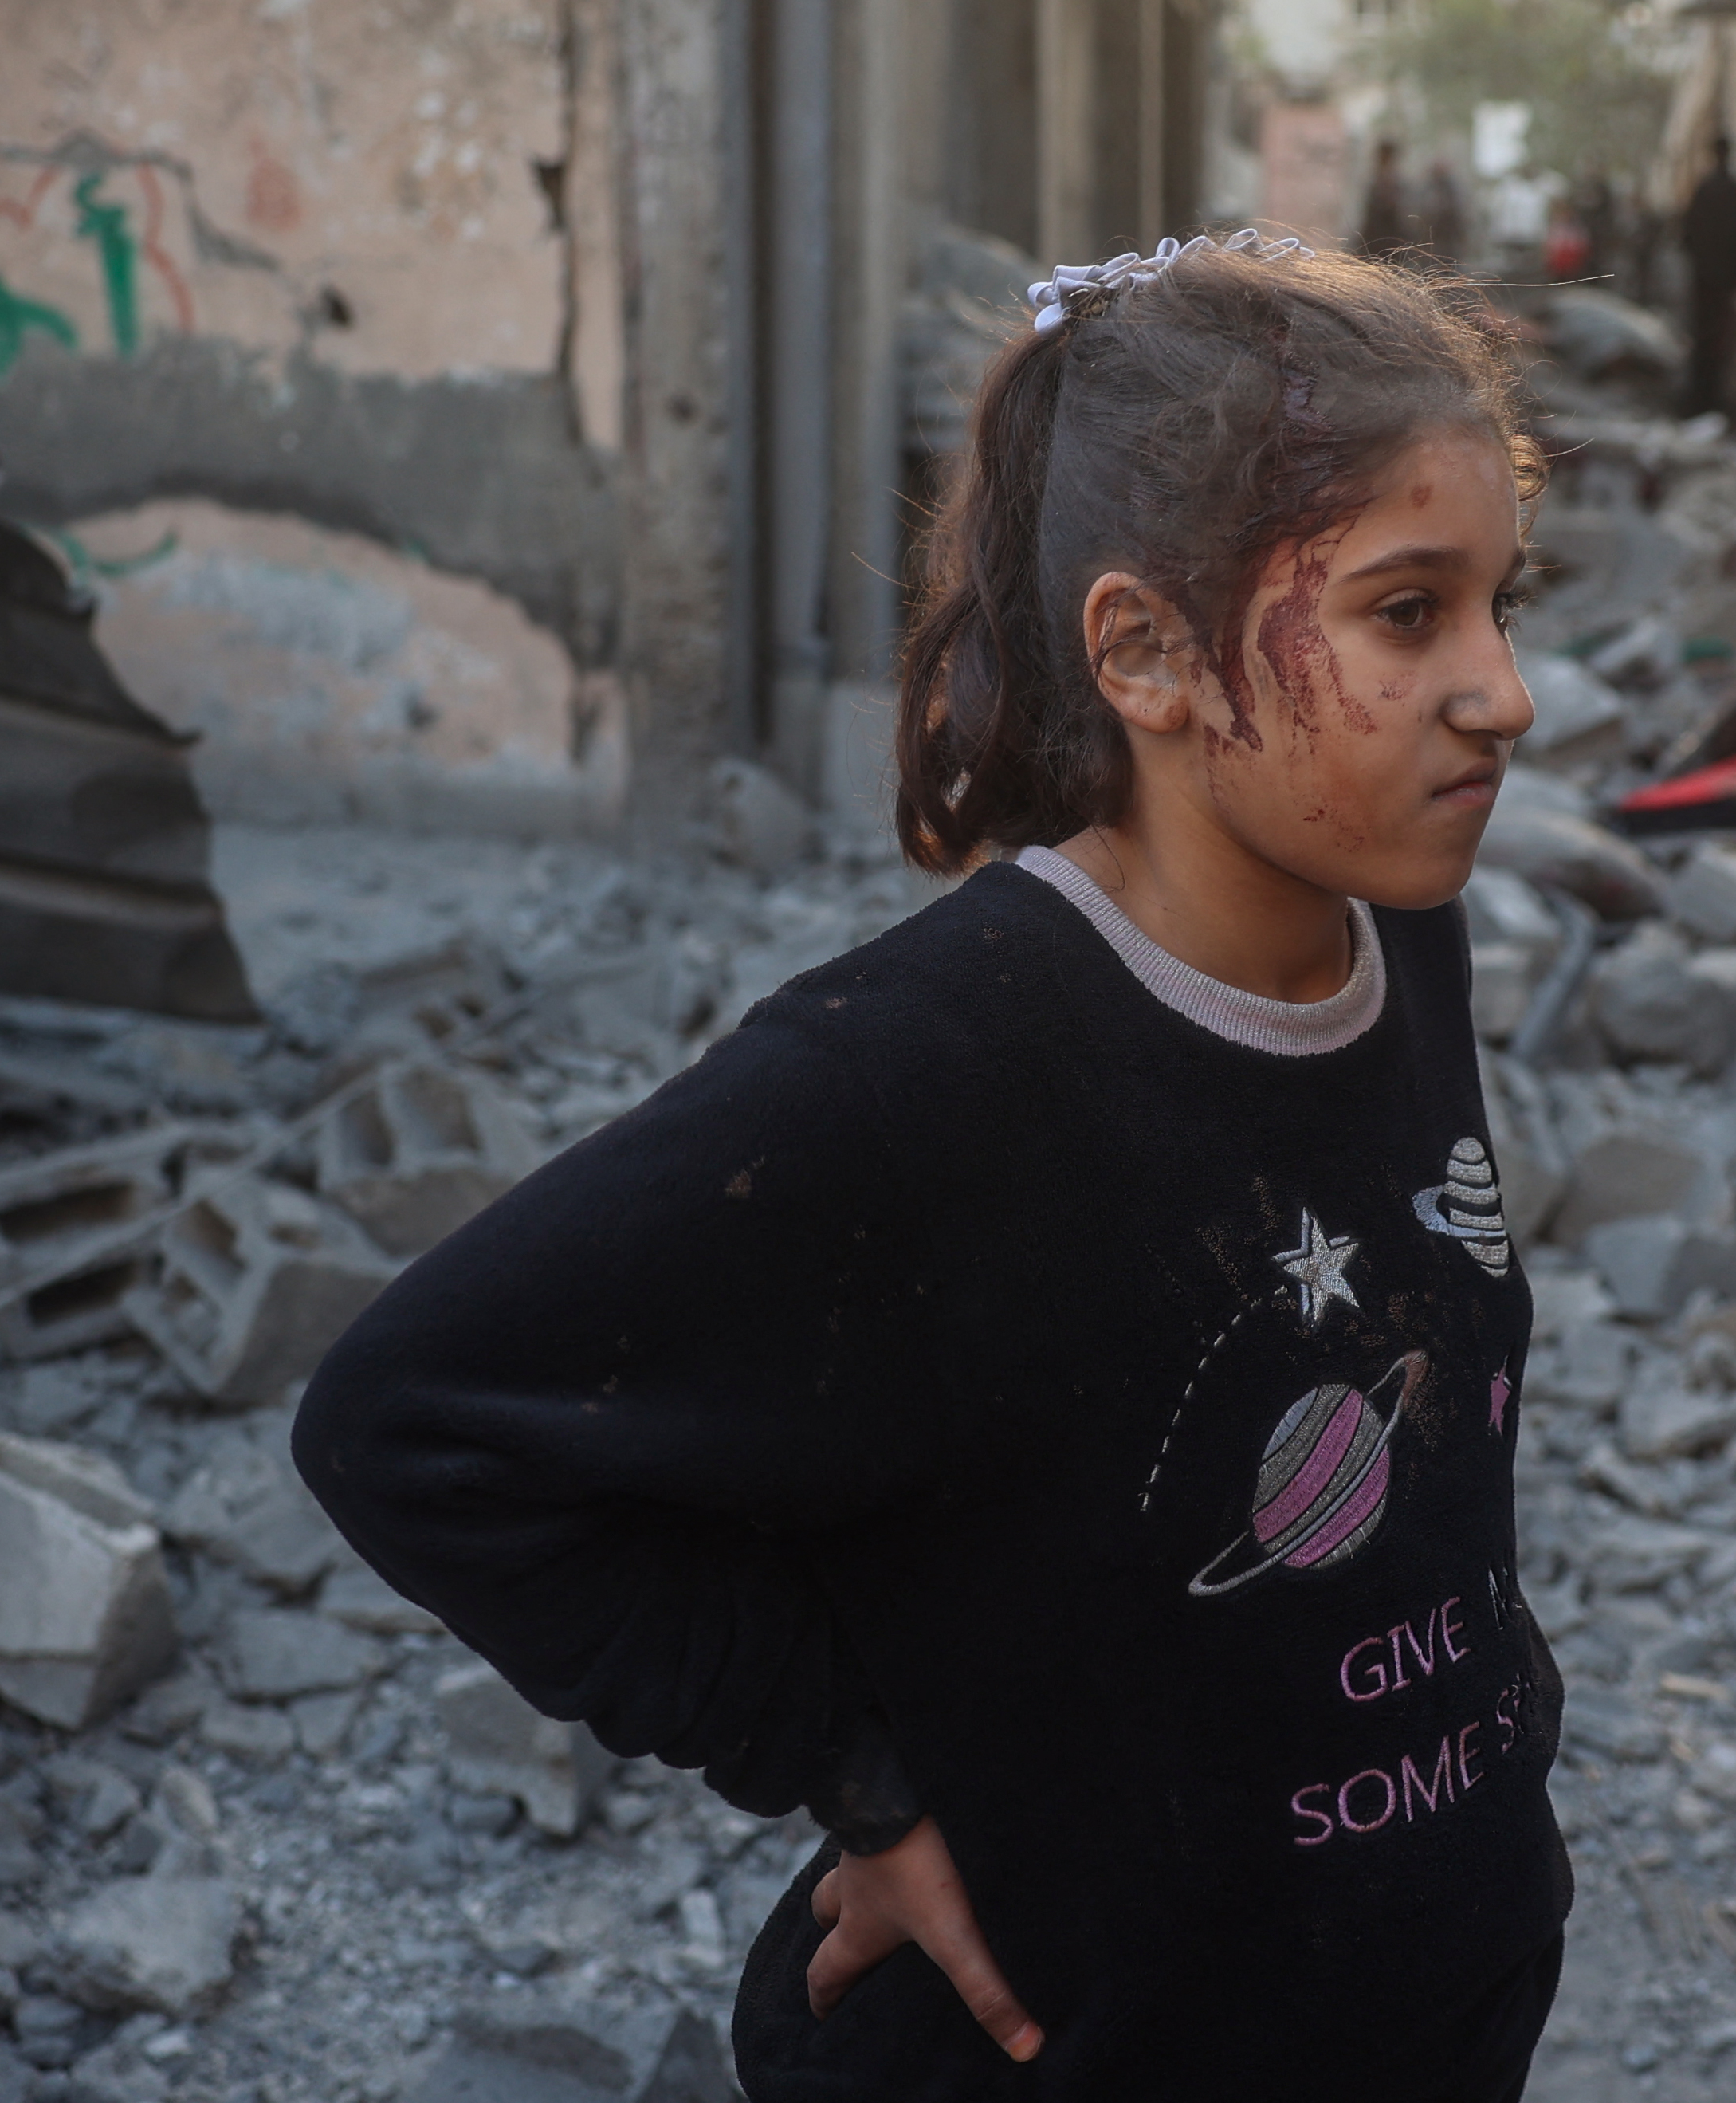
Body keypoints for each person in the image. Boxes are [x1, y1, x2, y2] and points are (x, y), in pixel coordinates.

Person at [293, 231, 1571, 2103]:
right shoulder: (925, 1068)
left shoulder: (1398, 931)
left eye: (1499, 602)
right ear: (1142, 651)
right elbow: (406, 1423)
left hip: (1426, 2013)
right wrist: (852, 1770)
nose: (1504, 691)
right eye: (1405, 612)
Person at [1678, 133, 1736, 419]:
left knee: (1704, 340)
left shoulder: (1706, 189)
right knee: (1723, 342)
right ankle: (1717, 405)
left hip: (1706, 281)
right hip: (1725, 283)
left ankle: (1702, 402)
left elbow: (1686, 235)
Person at [1357, 139, 1412, 257]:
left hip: (1393, 241)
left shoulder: (1398, 183)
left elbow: (1404, 214)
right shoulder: (1374, 181)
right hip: (1374, 240)